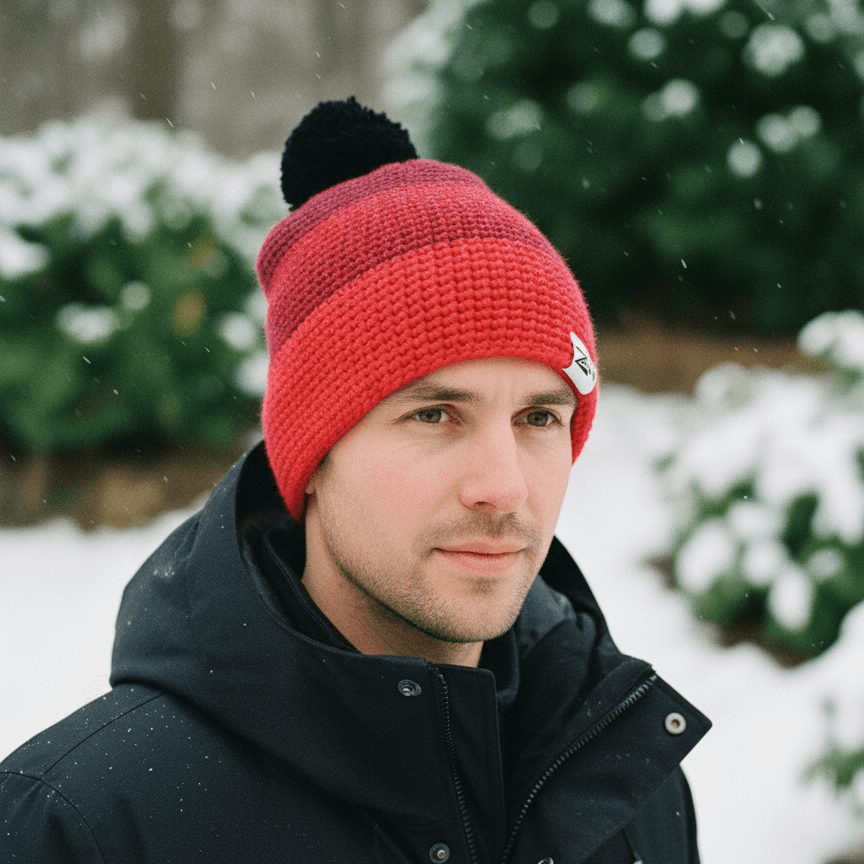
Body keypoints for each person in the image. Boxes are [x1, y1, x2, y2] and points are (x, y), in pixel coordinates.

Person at [0, 98, 710, 864]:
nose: (504, 487)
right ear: (312, 456)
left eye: (539, 418)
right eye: (435, 415)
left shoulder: (623, 786)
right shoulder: (89, 827)